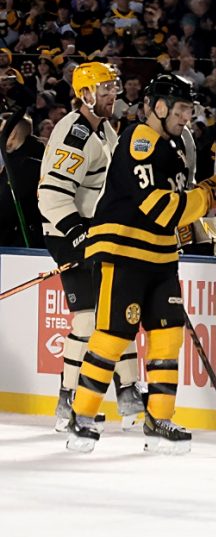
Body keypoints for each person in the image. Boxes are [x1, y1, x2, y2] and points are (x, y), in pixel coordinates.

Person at [66, 74, 216, 453]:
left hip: (162, 258)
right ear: (159, 108)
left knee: (167, 338)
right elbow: (161, 208)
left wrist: (209, 198)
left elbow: (180, 206)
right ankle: (80, 419)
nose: (185, 118)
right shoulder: (139, 141)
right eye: (180, 110)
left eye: (189, 111)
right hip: (123, 253)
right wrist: (208, 194)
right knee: (112, 336)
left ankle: (159, 417)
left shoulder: (176, 146)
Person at [38, 63, 146, 432]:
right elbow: (51, 197)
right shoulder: (77, 133)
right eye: (104, 90)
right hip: (68, 233)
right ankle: (67, 401)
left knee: (116, 311)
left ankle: (129, 390)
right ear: (84, 94)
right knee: (87, 318)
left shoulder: (105, 130)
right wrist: (79, 237)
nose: (112, 95)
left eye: (113, 89)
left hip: (95, 232)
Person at [0, 111, 44, 248]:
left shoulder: (25, 167)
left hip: (22, 244)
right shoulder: (38, 159)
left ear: (12, 135)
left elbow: (6, 208)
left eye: (2, 132)